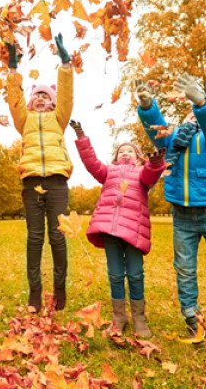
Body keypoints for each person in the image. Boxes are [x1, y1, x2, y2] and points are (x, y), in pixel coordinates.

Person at [136, 73, 206, 354]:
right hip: (181, 215)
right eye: (189, 110)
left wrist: (202, 101)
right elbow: (156, 130)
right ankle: (192, 319)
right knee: (184, 270)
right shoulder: (173, 140)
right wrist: (148, 106)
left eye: (196, 110)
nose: (191, 114)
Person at [71, 121, 166, 337]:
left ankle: (139, 318)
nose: (125, 152)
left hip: (133, 231)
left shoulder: (142, 172)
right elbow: (91, 162)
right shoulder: (108, 172)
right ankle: (119, 317)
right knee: (115, 275)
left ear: (139, 157)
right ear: (115, 157)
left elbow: (151, 174)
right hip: (110, 230)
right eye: (121, 150)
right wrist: (81, 137)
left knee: (135, 274)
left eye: (130, 150)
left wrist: (155, 162)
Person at [6, 34, 73, 313]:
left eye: (47, 96)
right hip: (32, 181)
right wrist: (13, 70)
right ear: (31, 102)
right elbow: (14, 100)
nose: (42, 99)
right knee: (35, 237)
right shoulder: (24, 120)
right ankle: (35, 291)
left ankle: (59, 289)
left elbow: (67, 95)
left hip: (57, 181)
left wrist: (66, 64)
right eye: (37, 96)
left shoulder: (60, 118)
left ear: (53, 102)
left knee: (57, 236)